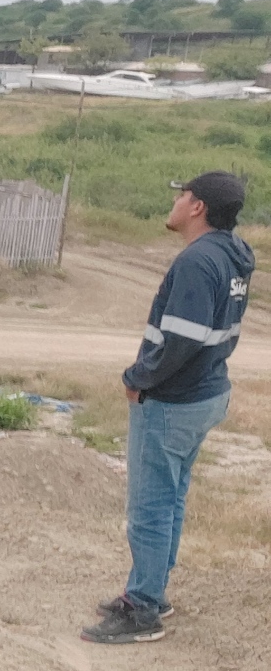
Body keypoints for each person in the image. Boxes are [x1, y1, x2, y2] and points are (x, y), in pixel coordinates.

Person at [82, 170, 253, 645]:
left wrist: (138, 379)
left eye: (183, 195)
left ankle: (142, 609)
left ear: (197, 207)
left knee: (150, 506)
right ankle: (153, 592)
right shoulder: (233, 253)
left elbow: (182, 340)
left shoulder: (198, 261)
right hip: (207, 393)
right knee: (171, 496)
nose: (175, 202)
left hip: (173, 400)